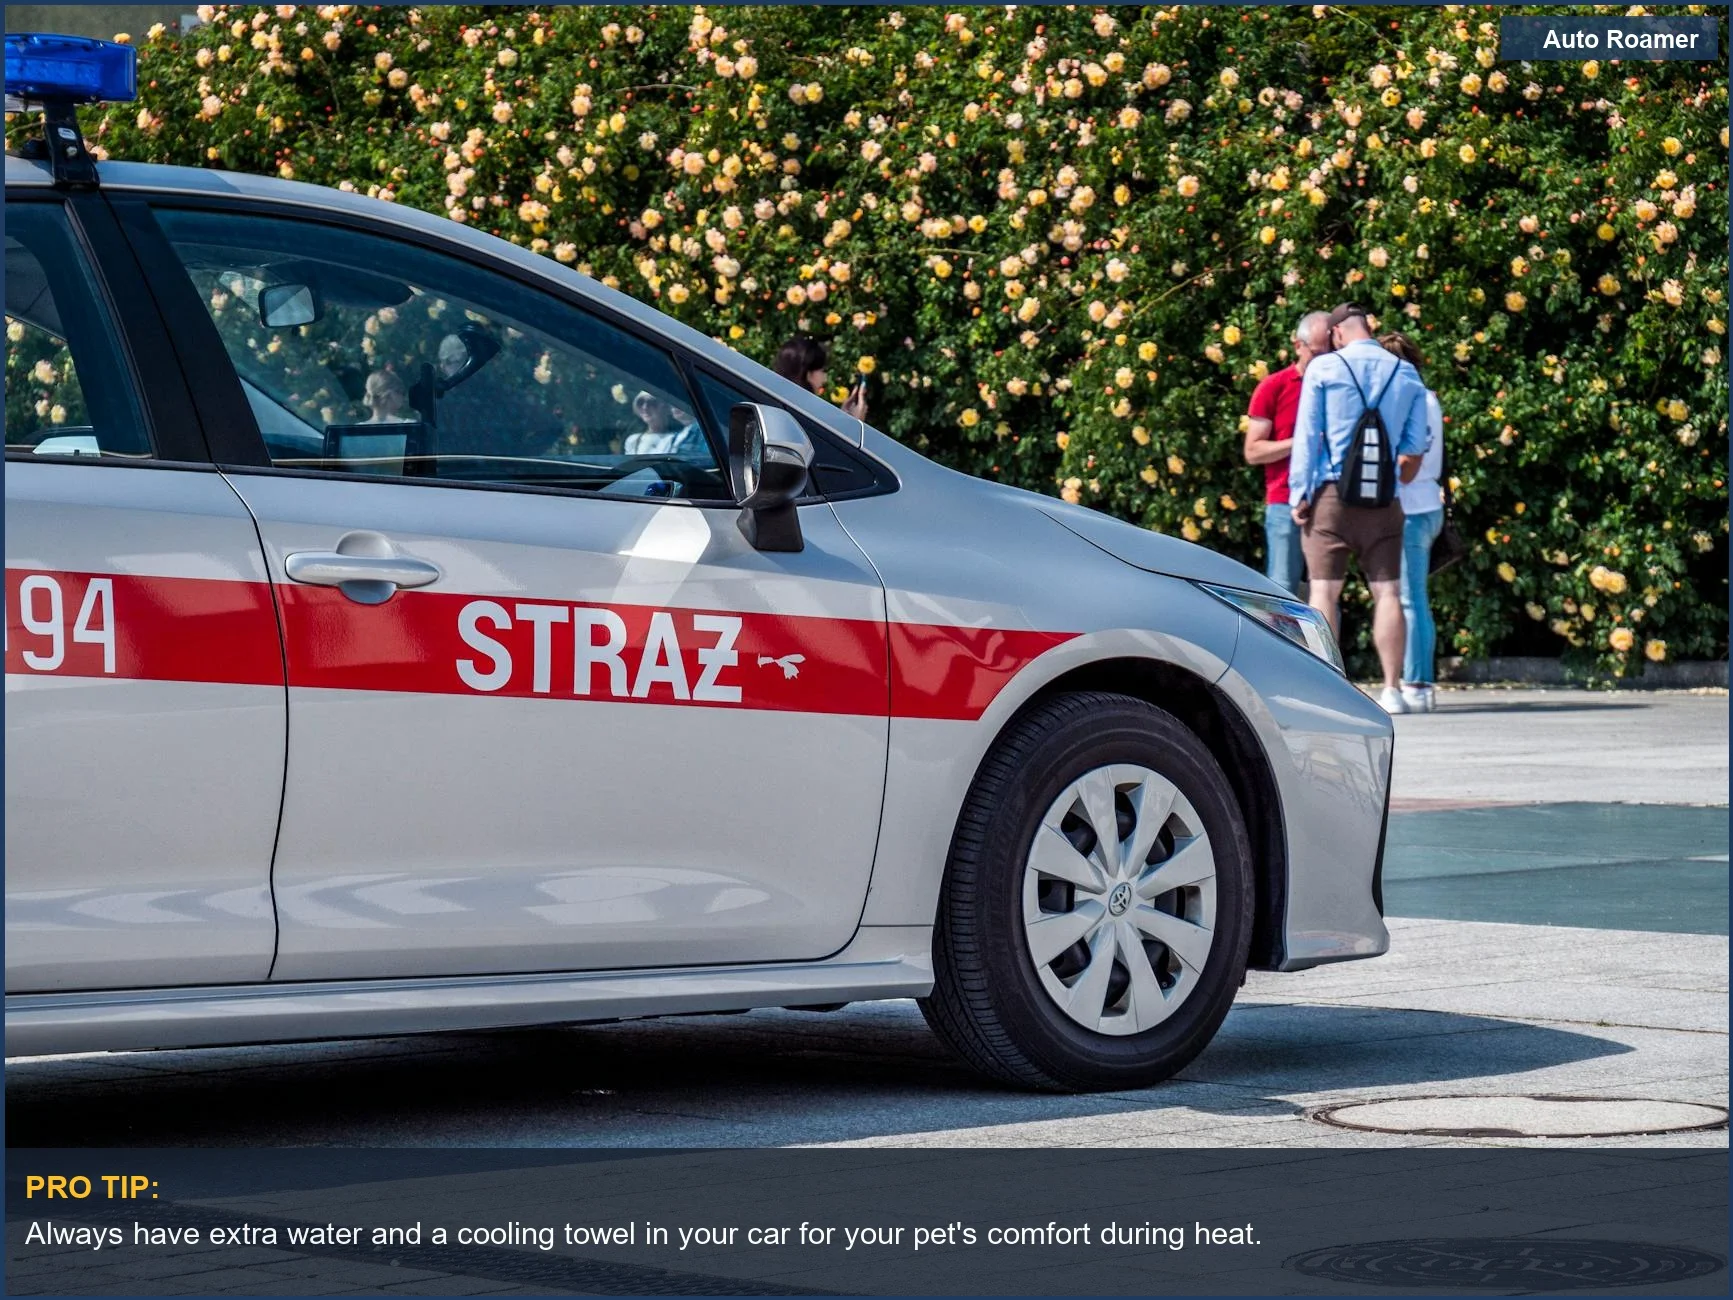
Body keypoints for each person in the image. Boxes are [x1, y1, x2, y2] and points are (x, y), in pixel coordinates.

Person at [1289, 303, 1429, 715]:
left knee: (1323, 591)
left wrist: (1301, 494)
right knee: (1387, 592)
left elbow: (1307, 436)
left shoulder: (1324, 370)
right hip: (1384, 497)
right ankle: (1392, 689)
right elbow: (1414, 445)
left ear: (1336, 333)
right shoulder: (1405, 372)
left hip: (1331, 495)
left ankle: (1324, 687)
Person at [1381, 331, 1446, 714]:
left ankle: (1418, 681)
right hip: (1427, 503)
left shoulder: (1410, 399)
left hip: (1411, 505)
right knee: (1414, 596)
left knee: (1409, 598)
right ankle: (1418, 679)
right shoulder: (1429, 398)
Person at [1244, 310, 1331, 595]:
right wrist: (1301, 442)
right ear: (1298, 346)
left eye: (1329, 353)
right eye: (1317, 353)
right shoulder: (1274, 387)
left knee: (1327, 590)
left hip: (1329, 499)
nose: (1323, 361)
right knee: (1282, 589)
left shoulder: (1339, 387)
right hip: (1283, 501)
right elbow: (1253, 451)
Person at [774, 335, 869, 420]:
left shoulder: (778, 409)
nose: (825, 378)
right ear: (808, 374)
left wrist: (844, 417)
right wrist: (855, 424)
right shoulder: (806, 418)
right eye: (823, 371)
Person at [624, 389, 706, 456]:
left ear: (665, 407)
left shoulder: (679, 438)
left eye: (651, 403)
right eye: (640, 403)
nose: (645, 407)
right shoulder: (633, 440)